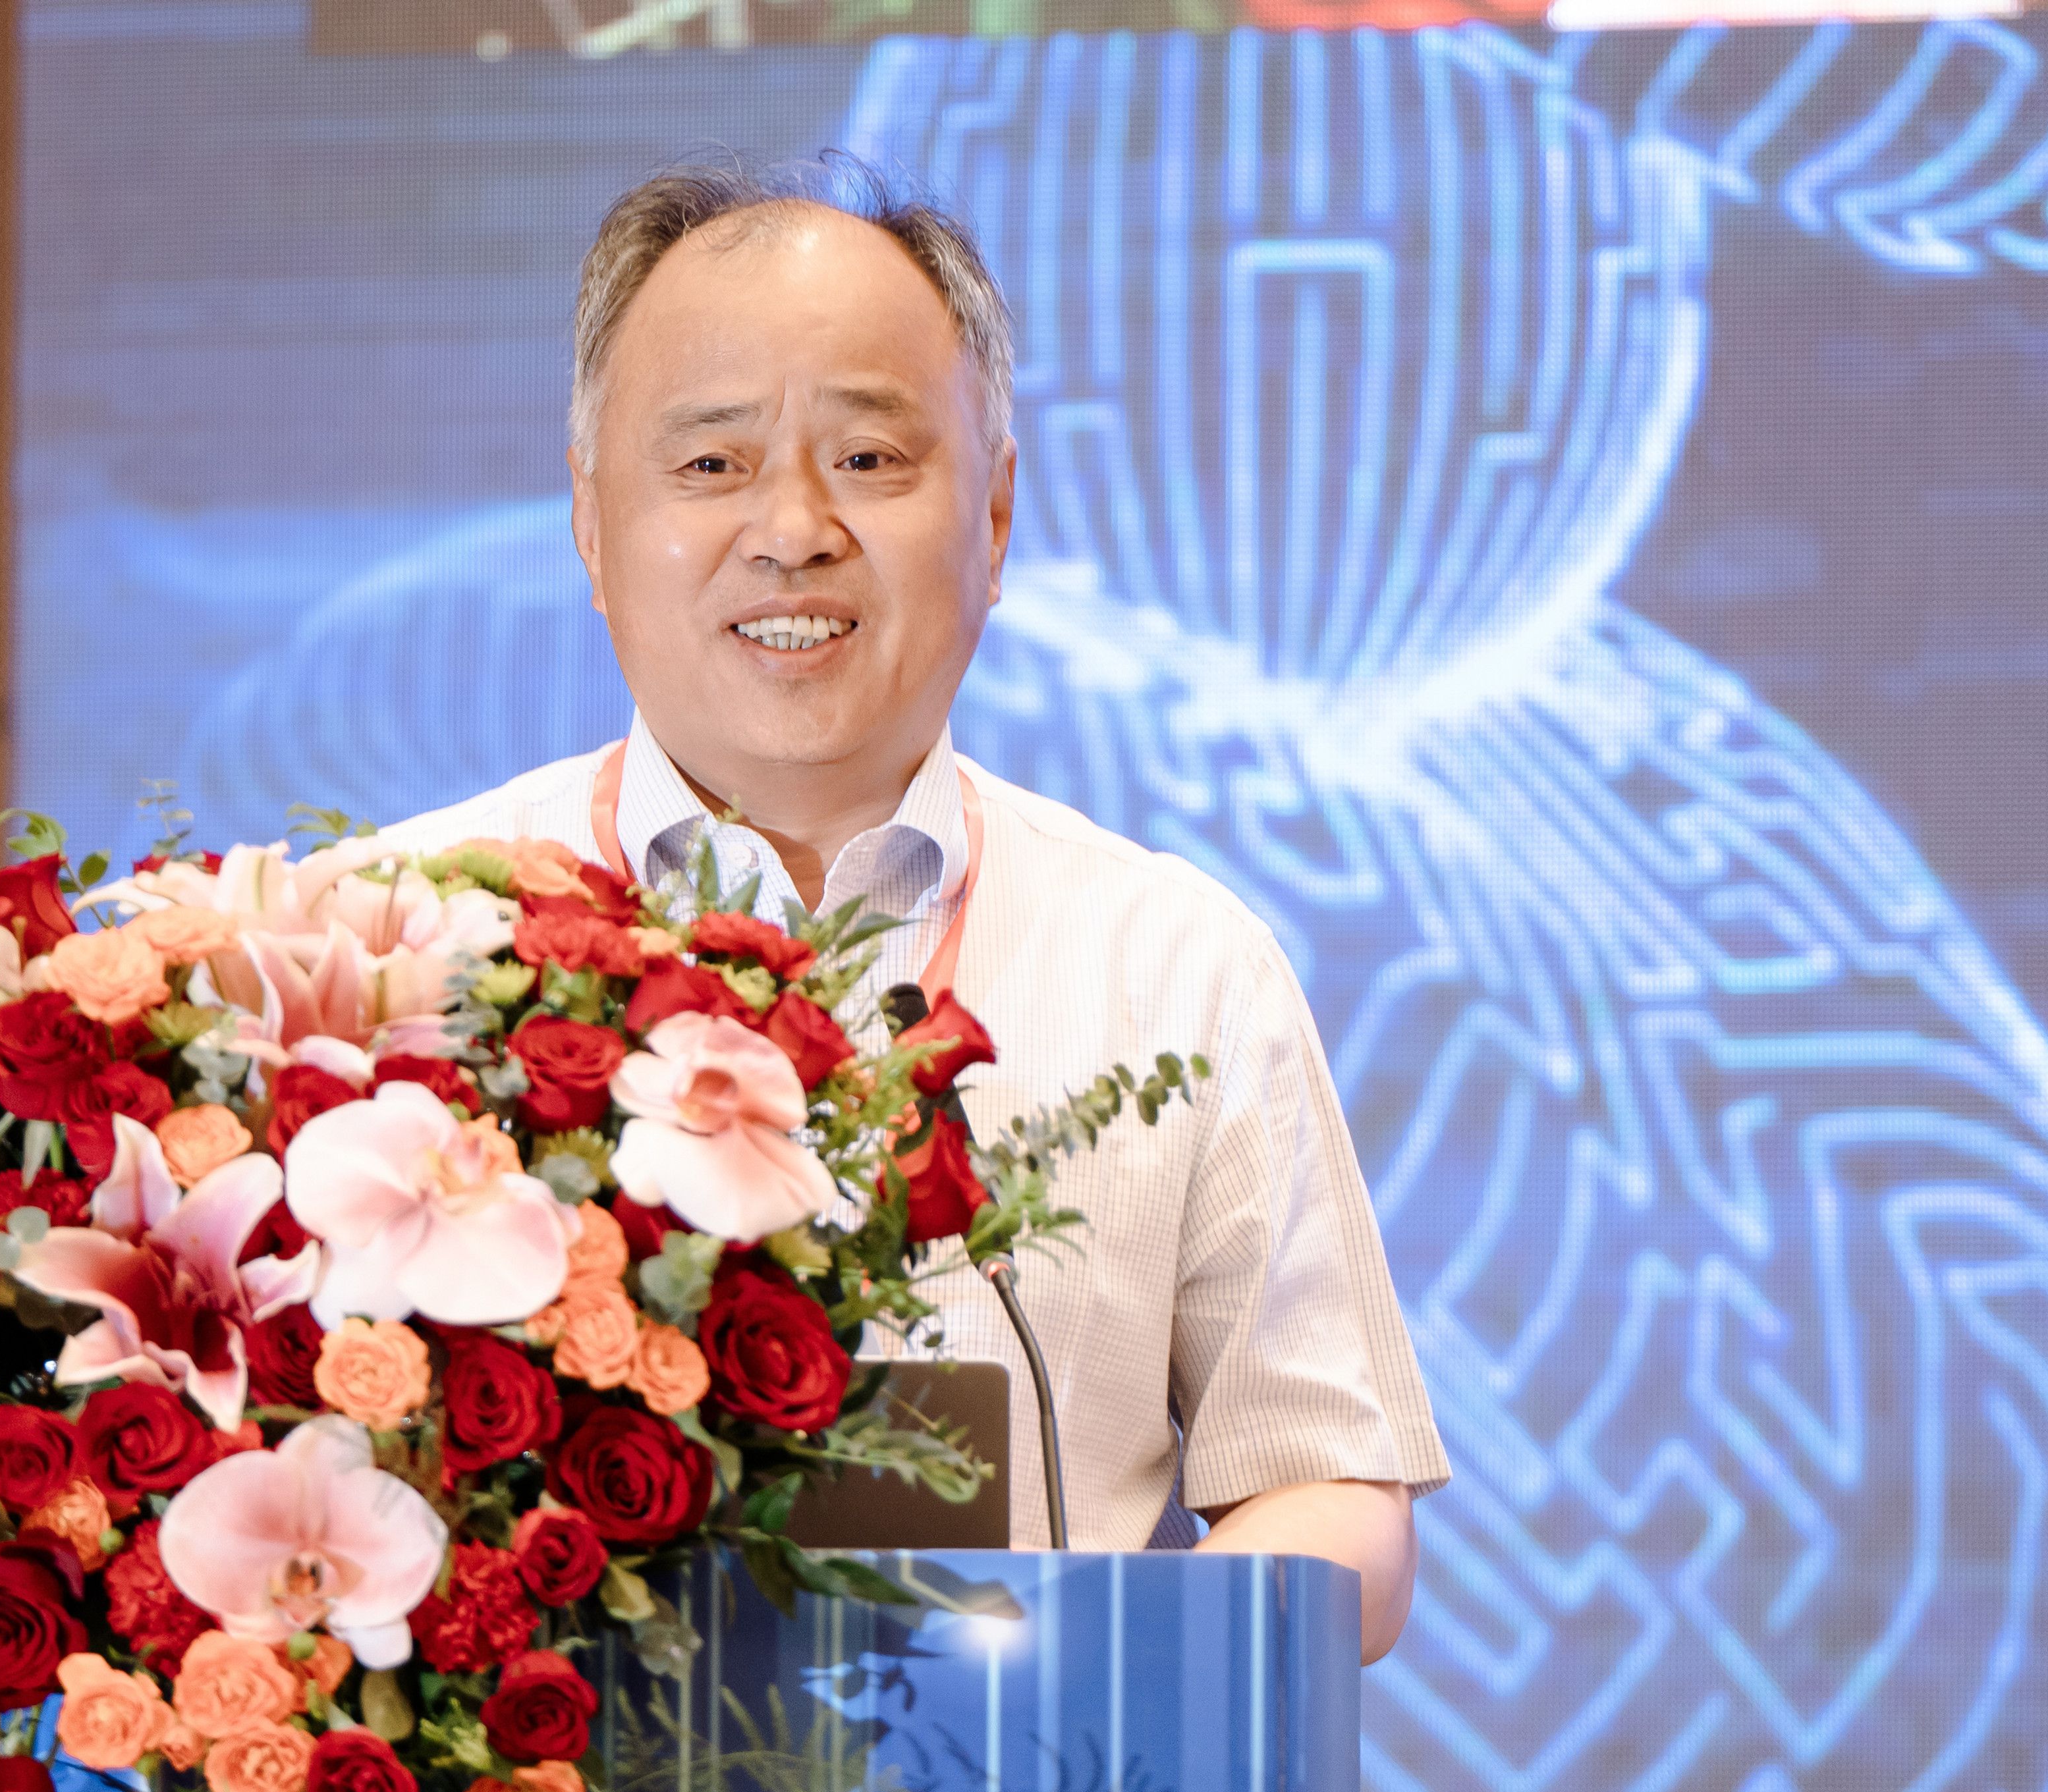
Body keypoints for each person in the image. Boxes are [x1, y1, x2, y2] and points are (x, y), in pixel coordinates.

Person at [380, 156, 1446, 1662]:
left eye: (871, 458)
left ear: (994, 513)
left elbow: (1332, 1493)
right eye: (711, 463)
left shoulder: (1173, 964)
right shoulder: (386, 940)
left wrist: (1087, 1679)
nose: (793, 528)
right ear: (591, 522)